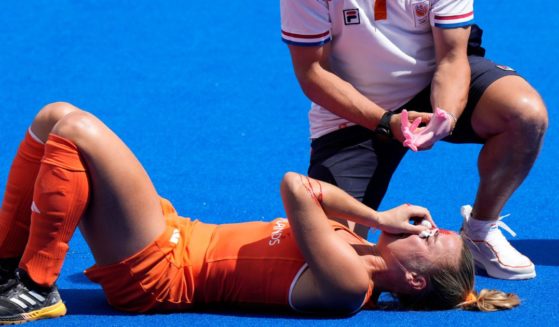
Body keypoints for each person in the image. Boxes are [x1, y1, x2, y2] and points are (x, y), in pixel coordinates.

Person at [0, 103, 519, 324]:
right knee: (55, 118)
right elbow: (317, 190)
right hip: (174, 232)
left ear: (413, 280)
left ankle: (40, 287)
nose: (425, 227)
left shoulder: (349, 286)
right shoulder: (359, 245)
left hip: (160, 272)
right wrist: (375, 220)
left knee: (78, 131)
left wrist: (379, 219)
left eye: (430, 239)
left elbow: (297, 187)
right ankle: (7, 265)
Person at [280, 0, 548, 280]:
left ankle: (480, 231)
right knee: (334, 259)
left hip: (434, 82)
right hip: (355, 110)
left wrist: (447, 115)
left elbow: (452, 58)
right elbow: (312, 72)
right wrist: (386, 123)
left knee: (524, 115)